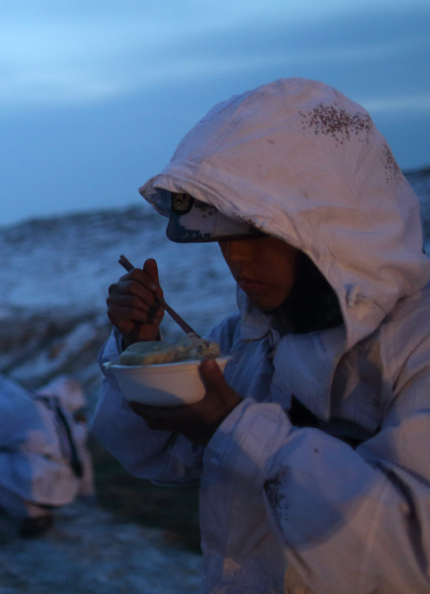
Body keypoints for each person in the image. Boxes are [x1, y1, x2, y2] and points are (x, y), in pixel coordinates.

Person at [90, 77, 430, 592]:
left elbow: (406, 558)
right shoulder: (251, 340)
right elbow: (160, 458)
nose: (236, 258)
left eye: (260, 233)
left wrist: (236, 427)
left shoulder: (416, 345)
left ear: (332, 224)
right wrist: (147, 353)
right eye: (224, 235)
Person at [0, 347, 94, 537]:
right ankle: (18, 503)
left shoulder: (0, 405)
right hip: (62, 486)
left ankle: (31, 514)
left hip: (49, 491)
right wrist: (88, 495)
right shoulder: (8, 395)